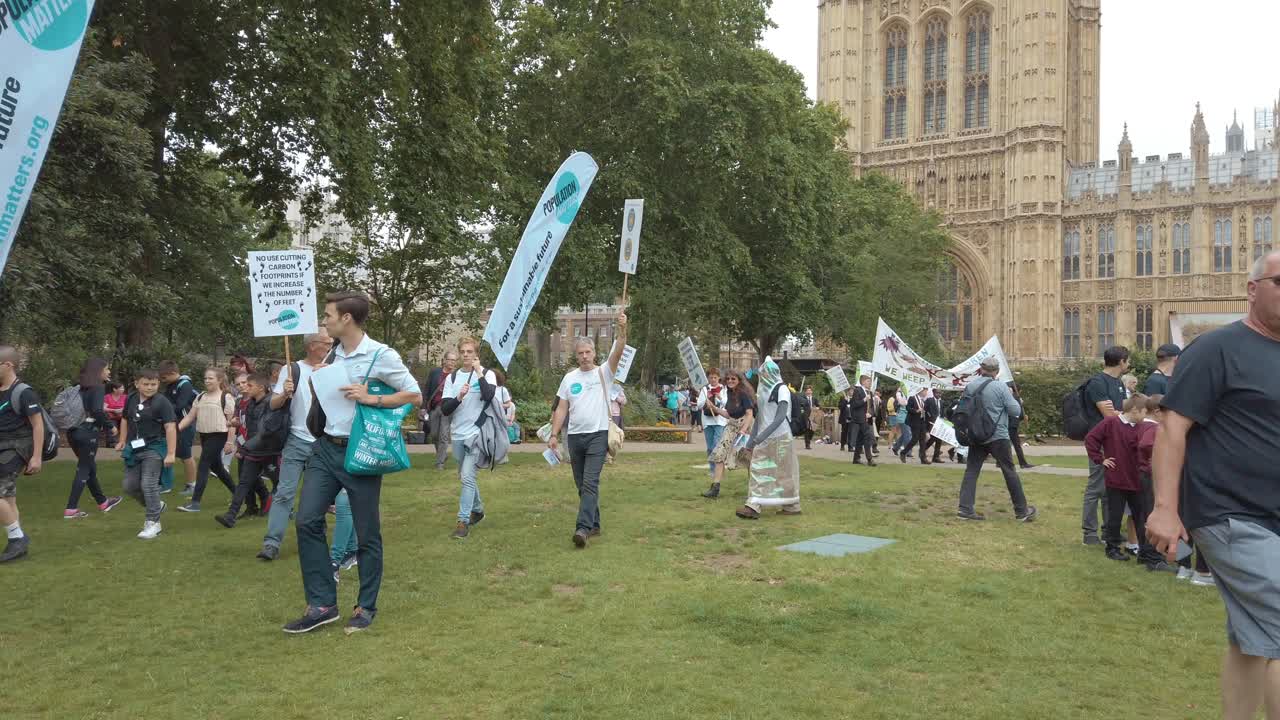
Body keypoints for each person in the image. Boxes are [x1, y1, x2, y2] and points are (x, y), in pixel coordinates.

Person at [1147, 252, 1280, 720]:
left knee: (1253, 638)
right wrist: (1164, 507)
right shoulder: (1216, 348)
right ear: (1252, 288)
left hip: (1273, 517)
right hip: (1230, 514)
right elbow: (1172, 430)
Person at [284, 290, 422, 635]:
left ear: (347, 318)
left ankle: (365, 606)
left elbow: (414, 394)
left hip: (360, 451)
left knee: (366, 532)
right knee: (306, 520)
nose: (324, 320)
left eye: (329, 315)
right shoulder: (333, 353)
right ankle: (322, 604)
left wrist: (371, 396)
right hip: (324, 449)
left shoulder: (380, 354)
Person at [547, 314, 628, 549]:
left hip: (598, 434)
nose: (584, 357)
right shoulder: (569, 378)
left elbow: (619, 351)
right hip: (574, 438)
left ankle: (582, 529)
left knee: (591, 482)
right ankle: (595, 523)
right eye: (580, 353)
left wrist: (622, 330)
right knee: (581, 484)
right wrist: (554, 435)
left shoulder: (604, 372)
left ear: (594, 353)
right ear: (576, 355)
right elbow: (562, 408)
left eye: (588, 352)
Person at [257, 331, 332, 560]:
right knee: (284, 493)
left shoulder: (334, 367)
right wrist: (285, 394)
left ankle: (315, 536)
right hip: (297, 440)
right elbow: (273, 403)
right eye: (326, 343)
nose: (331, 346)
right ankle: (271, 543)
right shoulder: (292, 370)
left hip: (324, 442)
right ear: (311, 346)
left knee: (318, 495)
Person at [1084, 394, 1167, 568]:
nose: (1145, 416)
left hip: (1136, 479)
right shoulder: (1110, 423)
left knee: (1140, 516)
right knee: (1115, 515)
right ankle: (1112, 547)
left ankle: (1144, 551)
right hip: (1117, 479)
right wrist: (1100, 459)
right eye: (1144, 411)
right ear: (1135, 410)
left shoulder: (1140, 427)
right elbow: (1091, 438)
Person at [955, 358, 1037, 523]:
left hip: (976, 433)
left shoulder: (971, 386)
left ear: (981, 369)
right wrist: (1012, 397)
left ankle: (965, 509)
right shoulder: (1000, 386)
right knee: (1009, 471)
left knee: (971, 471)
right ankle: (1022, 511)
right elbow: (1015, 411)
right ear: (996, 371)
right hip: (997, 435)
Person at [441, 337, 497, 540]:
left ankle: (463, 521)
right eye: (463, 352)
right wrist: (459, 397)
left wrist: (479, 372)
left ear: (476, 354)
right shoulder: (453, 378)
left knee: (466, 477)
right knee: (466, 477)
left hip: (477, 434)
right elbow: (445, 409)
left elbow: (489, 395)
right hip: (458, 434)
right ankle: (478, 509)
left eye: (469, 351)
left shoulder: (487, 374)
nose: (466, 355)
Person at [736, 358, 801, 519]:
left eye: (764, 373)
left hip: (781, 437)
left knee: (784, 472)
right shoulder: (763, 392)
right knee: (759, 468)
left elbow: (779, 418)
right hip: (766, 439)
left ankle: (791, 504)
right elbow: (760, 418)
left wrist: (759, 437)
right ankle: (753, 505)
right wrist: (751, 442)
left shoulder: (782, 390)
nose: (762, 376)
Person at [115, 369, 177, 540]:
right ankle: (157, 505)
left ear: (158, 384)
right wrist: (122, 440)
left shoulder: (162, 402)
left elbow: (170, 427)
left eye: (154, 384)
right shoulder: (132, 398)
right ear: (137, 384)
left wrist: (171, 453)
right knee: (129, 486)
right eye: (146, 384)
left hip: (154, 448)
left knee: (148, 484)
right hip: (134, 449)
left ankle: (153, 523)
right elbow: (126, 419)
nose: (150, 387)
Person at [216, 372, 281, 528]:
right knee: (244, 482)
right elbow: (248, 427)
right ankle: (231, 515)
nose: (245, 387)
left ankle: (285, 509)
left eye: (249, 385)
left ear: (261, 387)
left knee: (279, 483)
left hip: (270, 452)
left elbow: (266, 430)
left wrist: (245, 446)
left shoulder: (271, 403)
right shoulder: (249, 403)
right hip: (253, 451)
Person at [1080, 345, 1129, 545]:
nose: (1129, 364)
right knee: (1096, 487)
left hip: (1115, 440)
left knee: (1111, 488)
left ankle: (1110, 531)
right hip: (1100, 442)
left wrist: (1120, 412)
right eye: (1128, 360)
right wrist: (1121, 413)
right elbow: (1109, 414)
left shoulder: (1117, 382)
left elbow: (1125, 411)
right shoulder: (1097, 383)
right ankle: (1089, 533)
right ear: (1121, 361)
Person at [0, 346, 44, 561]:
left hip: (17, 447)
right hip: (2, 446)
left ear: (8, 365)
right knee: (7, 497)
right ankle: (18, 545)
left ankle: (17, 538)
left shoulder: (24, 392)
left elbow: (38, 424)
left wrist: (36, 456)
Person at [64, 358, 122, 519]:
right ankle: (71, 509)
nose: (109, 372)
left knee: (89, 467)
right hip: (87, 433)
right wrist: (111, 426)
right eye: (107, 369)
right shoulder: (97, 388)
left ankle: (103, 502)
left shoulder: (79, 388)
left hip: (73, 432)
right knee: (84, 468)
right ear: (98, 371)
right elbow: (97, 411)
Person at [174, 368, 237, 513]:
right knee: (218, 468)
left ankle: (195, 503)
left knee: (203, 465)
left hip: (218, 435)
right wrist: (175, 430)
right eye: (205, 378)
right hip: (205, 435)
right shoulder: (201, 396)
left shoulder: (226, 397)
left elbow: (232, 421)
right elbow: (190, 417)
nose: (207, 381)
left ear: (219, 380)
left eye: (210, 378)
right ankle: (239, 493)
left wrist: (229, 442)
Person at [702, 370, 755, 499]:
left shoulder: (744, 394)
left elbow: (749, 413)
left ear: (739, 380)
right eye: (728, 379)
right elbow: (728, 414)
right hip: (731, 425)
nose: (730, 381)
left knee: (747, 458)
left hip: (745, 426)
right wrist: (714, 408)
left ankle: (754, 490)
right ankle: (715, 488)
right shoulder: (730, 393)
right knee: (719, 454)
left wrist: (743, 430)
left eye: (733, 379)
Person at [158, 360, 198, 495]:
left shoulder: (184, 385)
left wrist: (164, 411)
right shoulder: (171, 385)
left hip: (184, 425)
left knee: (186, 455)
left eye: (164, 377)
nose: (162, 380)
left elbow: (180, 405)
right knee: (167, 452)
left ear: (173, 373)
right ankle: (165, 484)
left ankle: (192, 484)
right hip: (172, 424)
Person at [422, 350, 459, 471]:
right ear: (444, 360)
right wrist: (423, 407)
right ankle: (442, 455)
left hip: (447, 408)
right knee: (433, 434)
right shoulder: (435, 372)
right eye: (450, 360)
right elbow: (427, 389)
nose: (452, 362)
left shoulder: (457, 375)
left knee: (444, 436)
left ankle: (440, 463)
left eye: (454, 360)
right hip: (434, 407)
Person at [696, 369, 728, 474]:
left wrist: (720, 398)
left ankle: (718, 468)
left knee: (716, 445)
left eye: (715, 377)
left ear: (719, 378)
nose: (713, 379)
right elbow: (699, 405)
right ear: (708, 378)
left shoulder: (724, 389)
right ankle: (712, 469)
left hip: (720, 421)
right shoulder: (705, 390)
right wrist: (706, 402)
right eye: (711, 377)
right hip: (707, 421)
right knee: (710, 447)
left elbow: (726, 404)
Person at [848, 375, 876, 466]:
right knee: (867, 436)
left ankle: (856, 459)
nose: (870, 383)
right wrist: (864, 399)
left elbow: (871, 406)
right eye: (868, 381)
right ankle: (869, 459)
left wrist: (870, 413)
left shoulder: (870, 392)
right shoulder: (857, 391)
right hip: (859, 418)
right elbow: (854, 404)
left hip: (866, 418)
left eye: (870, 382)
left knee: (860, 439)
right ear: (863, 382)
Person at [1008, 384, 1035, 469]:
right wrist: (1023, 417)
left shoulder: (1008, 398)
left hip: (1006, 423)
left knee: (1006, 443)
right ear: (1020, 391)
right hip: (1012, 424)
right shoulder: (1017, 399)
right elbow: (1017, 413)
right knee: (1017, 445)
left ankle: (999, 462)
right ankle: (1022, 463)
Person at [890, 388, 912, 457]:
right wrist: (909, 400)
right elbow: (903, 403)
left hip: (908, 416)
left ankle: (896, 447)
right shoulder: (899, 393)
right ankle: (907, 451)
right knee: (907, 434)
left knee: (905, 434)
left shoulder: (910, 392)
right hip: (902, 417)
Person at [795, 385, 815, 450]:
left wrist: (817, 407)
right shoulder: (802, 398)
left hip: (812, 416)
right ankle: (807, 444)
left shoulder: (814, 399)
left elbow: (818, 405)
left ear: (812, 391)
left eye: (810, 390)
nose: (809, 392)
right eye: (808, 390)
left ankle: (809, 439)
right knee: (807, 429)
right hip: (805, 416)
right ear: (806, 392)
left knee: (812, 430)